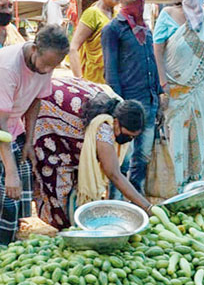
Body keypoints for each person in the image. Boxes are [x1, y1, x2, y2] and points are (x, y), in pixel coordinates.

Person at [0, 25, 68, 248]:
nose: (49, 69)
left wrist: (29, 140)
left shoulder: (46, 64)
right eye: (47, 64)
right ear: (34, 49)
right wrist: (10, 173)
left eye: (54, 65)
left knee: (19, 188)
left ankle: (10, 239)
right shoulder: (8, 66)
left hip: (13, 125)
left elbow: (36, 100)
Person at [32, 78, 151, 228]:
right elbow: (114, 174)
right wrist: (147, 207)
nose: (129, 140)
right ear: (116, 122)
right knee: (59, 189)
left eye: (133, 137)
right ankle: (67, 227)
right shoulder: (104, 129)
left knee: (71, 183)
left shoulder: (118, 106)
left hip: (61, 114)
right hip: (44, 114)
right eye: (127, 135)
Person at [153, 0, 204, 189]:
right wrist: (162, 88)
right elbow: (157, 53)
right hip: (174, 93)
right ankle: (173, 191)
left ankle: (192, 189)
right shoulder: (167, 15)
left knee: (197, 143)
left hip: (198, 91)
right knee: (174, 143)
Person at [101, 0, 163, 193]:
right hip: (127, 105)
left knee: (143, 158)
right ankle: (117, 203)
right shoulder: (113, 30)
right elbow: (111, 72)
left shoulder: (145, 28)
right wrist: (119, 109)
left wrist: (159, 97)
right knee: (122, 162)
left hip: (149, 102)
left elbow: (152, 65)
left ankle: (136, 201)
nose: (140, 0)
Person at [69, 0, 117, 83]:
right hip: (94, 81)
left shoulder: (118, 15)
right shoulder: (92, 14)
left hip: (114, 80)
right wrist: (80, 81)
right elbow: (73, 48)